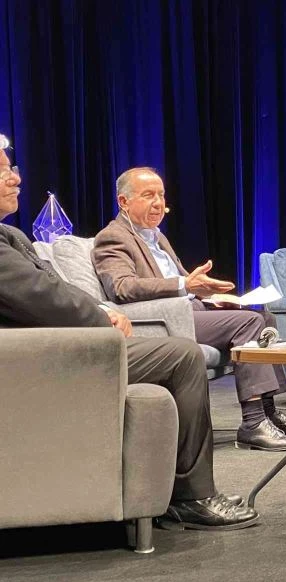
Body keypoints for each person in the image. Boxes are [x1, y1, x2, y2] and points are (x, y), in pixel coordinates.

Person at [0, 144, 257, 530]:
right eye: (3, 171)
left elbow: (51, 287)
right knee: (183, 356)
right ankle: (192, 496)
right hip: (36, 354)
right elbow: (42, 297)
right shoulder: (112, 237)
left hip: (53, 342)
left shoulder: (8, 232)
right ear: (124, 201)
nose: (16, 178)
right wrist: (102, 315)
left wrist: (98, 309)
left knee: (243, 322)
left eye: (13, 168)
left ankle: (250, 427)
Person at [92, 167, 286, 452]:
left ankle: (269, 412)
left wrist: (206, 292)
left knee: (263, 317)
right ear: (124, 201)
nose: (158, 203)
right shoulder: (113, 237)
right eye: (148, 195)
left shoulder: (156, 237)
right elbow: (122, 287)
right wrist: (185, 284)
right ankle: (253, 424)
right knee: (249, 324)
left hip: (190, 309)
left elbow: (182, 283)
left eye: (161, 195)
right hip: (163, 320)